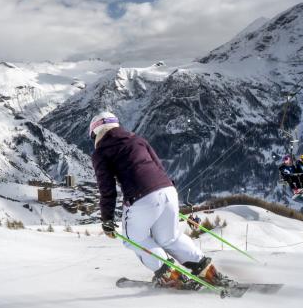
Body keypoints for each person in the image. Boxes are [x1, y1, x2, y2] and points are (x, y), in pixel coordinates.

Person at [90, 111, 231, 290]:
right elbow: (159, 166)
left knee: (134, 239)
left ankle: (170, 276)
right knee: (170, 238)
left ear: (96, 133)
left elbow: (107, 188)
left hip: (141, 197)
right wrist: (166, 199)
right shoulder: (137, 139)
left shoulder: (101, 151)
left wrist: (107, 219)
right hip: (168, 191)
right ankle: (208, 271)